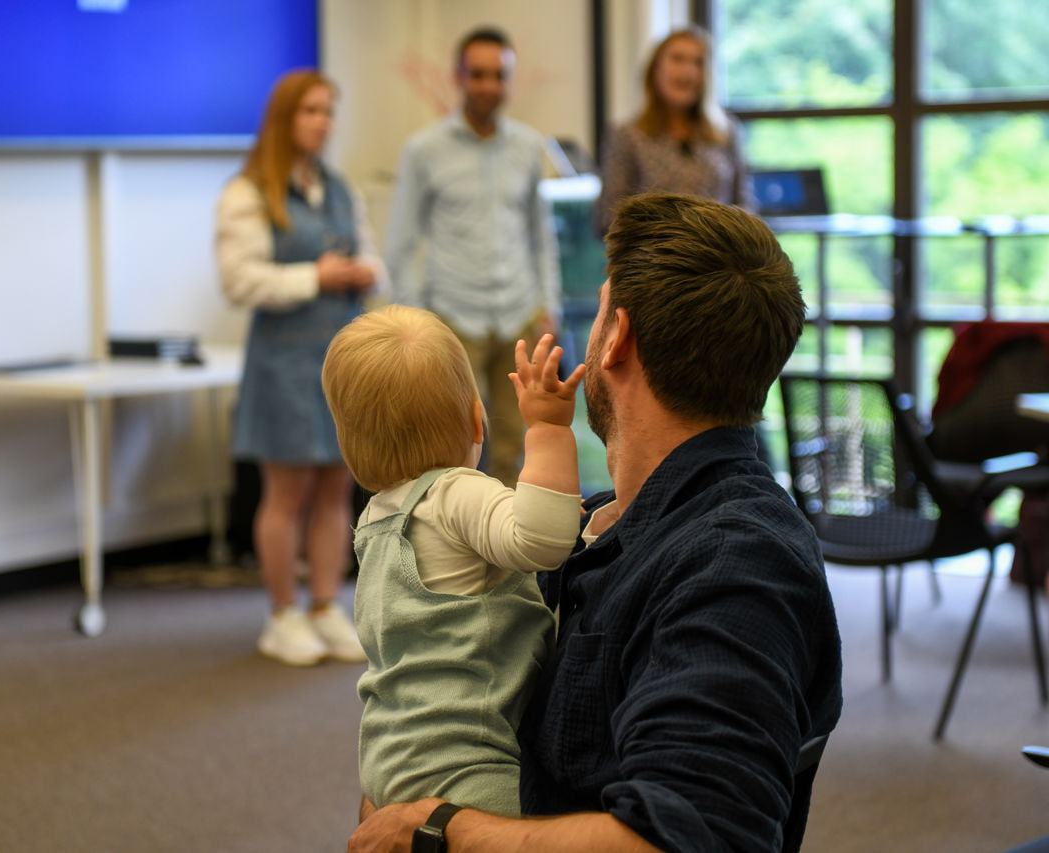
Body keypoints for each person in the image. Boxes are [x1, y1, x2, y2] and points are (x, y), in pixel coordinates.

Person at [348, 193, 843, 853]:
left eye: (603, 306)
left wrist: (437, 827)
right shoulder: (611, 521)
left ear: (617, 339)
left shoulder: (737, 563)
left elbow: (695, 835)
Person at [322, 305, 585, 818]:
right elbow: (545, 543)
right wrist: (548, 428)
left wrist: (538, 504)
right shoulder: (455, 492)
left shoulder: (377, 519)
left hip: (391, 752)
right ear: (475, 419)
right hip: (467, 763)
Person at [215, 69, 386, 667]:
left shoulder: (340, 189)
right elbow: (239, 281)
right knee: (288, 492)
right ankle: (282, 614)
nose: (321, 122)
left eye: (328, 111)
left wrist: (365, 272)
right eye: (310, 110)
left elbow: (374, 259)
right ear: (284, 119)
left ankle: (324, 606)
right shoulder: (247, 193)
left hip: (339, 360)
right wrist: (316, 276)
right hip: (283, 362)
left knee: (337, 489)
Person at [384, 26, 561, 489]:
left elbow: (540, 234)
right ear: (459, 77)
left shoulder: (528, 146)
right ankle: (458, 533)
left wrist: (549, 305)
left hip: (518, 314)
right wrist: (416, 317)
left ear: (510, 80)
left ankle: (511, 537)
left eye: (499, 75)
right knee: (453, 444)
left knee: (516, 446)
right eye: (478, 74)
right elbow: (400, 242)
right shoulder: (424, 149)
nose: (488, 85)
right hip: (453, 317)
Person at [594, 26, 755, 237]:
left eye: (698, 62)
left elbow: (745, 206)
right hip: (655, 253)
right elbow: (608, 216)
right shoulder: (627, 135)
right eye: (678, 59)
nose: (689, 71)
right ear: (655, 69)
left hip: (718, 252)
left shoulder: (726, 132)